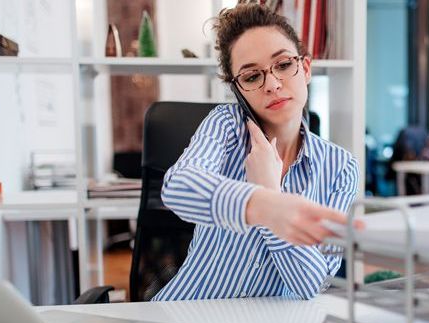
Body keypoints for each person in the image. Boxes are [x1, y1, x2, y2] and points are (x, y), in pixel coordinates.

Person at [152, 4, 359, 301]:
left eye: (284, 64)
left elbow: (313, 284)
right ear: (238, 90)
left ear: (306, 68)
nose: (273, 85)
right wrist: (264, 205)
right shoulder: (226, 125)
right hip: (190, 312)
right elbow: (178, 187)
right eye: (251, 77)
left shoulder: (341, 167)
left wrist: (270, 191)